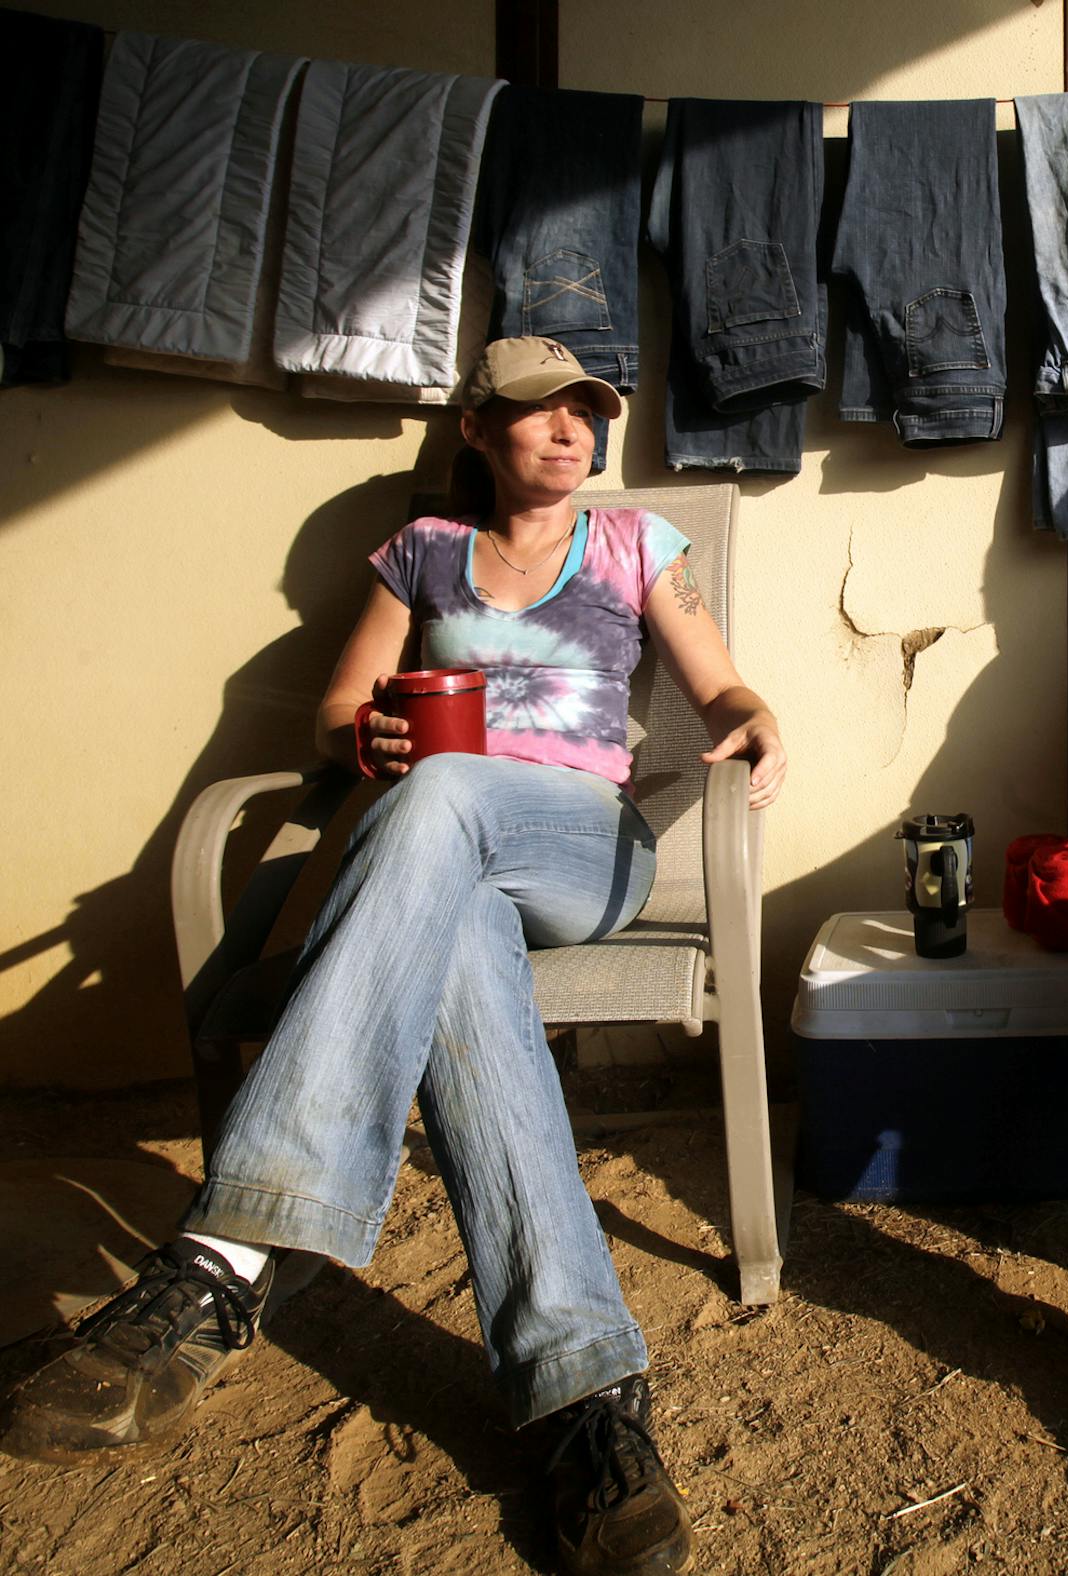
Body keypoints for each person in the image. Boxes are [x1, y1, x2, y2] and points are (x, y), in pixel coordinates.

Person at [0, 337, 787, 1576]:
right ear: (477, 429)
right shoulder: (422, 551)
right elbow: (338, 708)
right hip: (448, 861)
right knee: (449, 884)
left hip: (583, 843)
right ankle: (584, 1393)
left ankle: (232, 1257)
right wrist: (367, 739)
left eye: (587, 410)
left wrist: (754, 727)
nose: (571, 430)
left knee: (446, 800)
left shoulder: (637, 546)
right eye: (539, 412)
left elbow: (724, 688)